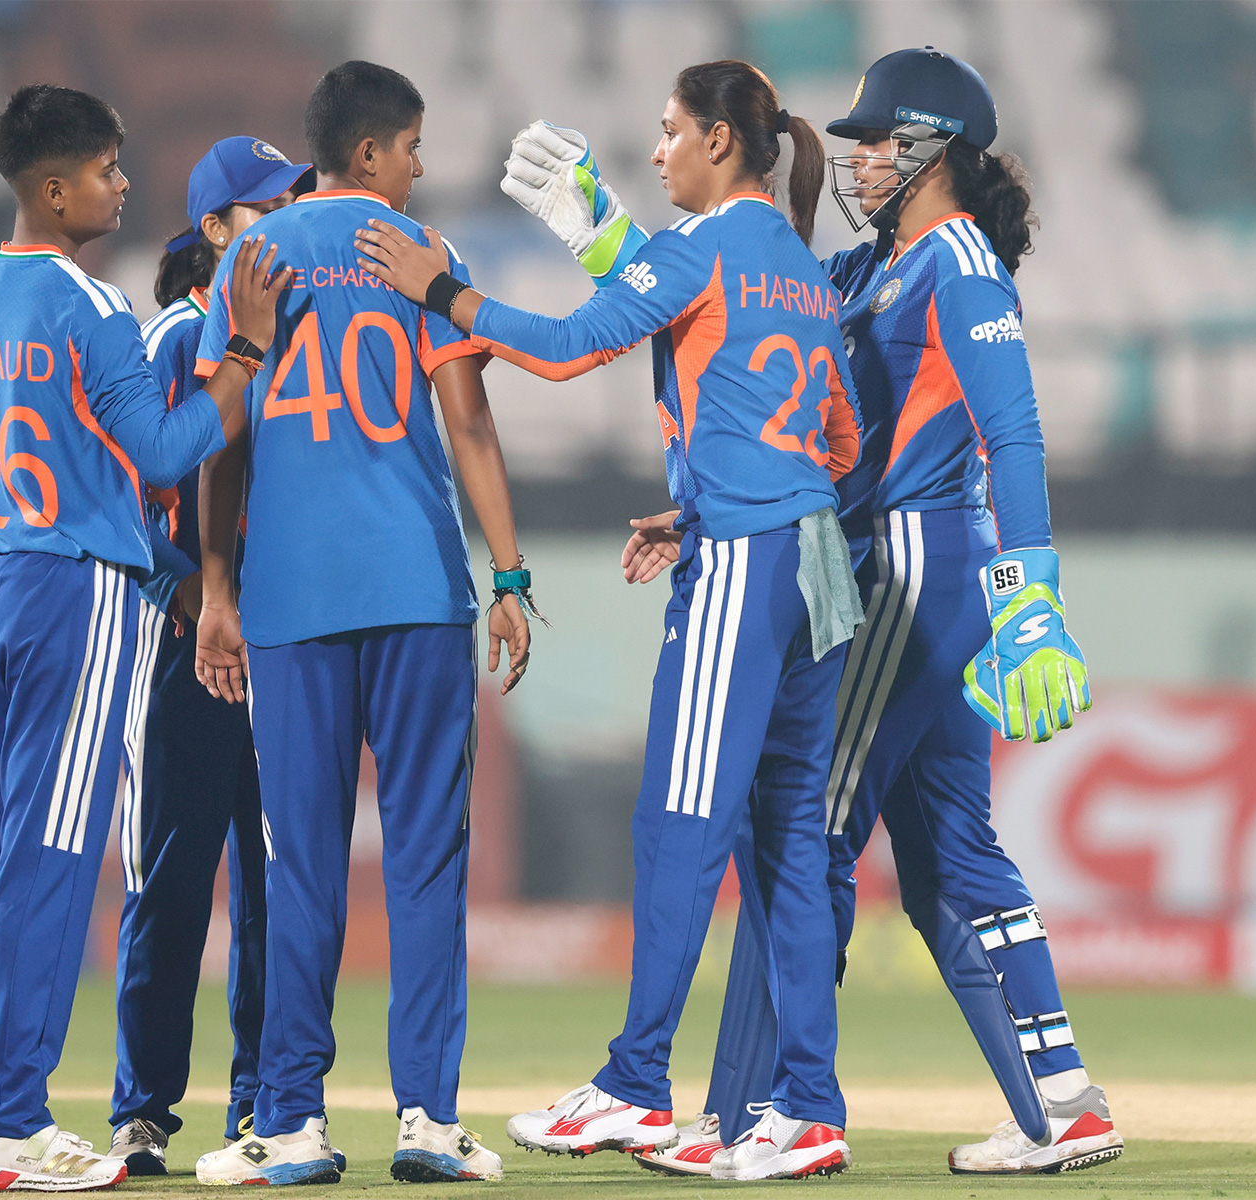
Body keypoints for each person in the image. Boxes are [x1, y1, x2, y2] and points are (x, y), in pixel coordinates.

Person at [522, 48, 1113, 1179]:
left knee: (801, 830)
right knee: (949, 850)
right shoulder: (870, 265)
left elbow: (1014, 432)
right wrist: (602, 235)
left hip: (911, 561)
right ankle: (1061, 1101)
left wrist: (1030, 591)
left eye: (879, 142)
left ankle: (757, 1111)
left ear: (934, 148)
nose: (857, 160)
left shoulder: (957, 261)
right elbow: (724, 305)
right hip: (889, 560)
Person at [357, 60, 865, 1183]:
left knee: (677, 823)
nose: (658, 150)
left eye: (672, 129)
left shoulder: (699, 249)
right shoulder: (803, 267)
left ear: (721, 142)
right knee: (787, 838)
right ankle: (809, 1109)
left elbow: (562, 348)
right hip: (816, 564)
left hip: (746, 563)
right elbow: (839, 443)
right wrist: (712, 504)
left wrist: (443, 293)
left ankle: (636, 1085)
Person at [0, 84, 286, 1192]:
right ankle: (13, 1124)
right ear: (53, 188)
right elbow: (170, 452)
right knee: (49, 856)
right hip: (73, 591)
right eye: (106, 169)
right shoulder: (93, 305)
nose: (123, 186)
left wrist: (37, 452)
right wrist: (244, 355)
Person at [185, 60, 529, 1186]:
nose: (421, 166)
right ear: (372, 153)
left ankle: (291, 1123)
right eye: (414, 147)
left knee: (301, 868)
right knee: (427, 861)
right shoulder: (416, 253)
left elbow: (221, 439)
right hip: (417, 591)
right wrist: (511, 574)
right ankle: (428, 1121)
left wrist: (219, 591)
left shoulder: (253, 258)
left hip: (291, 600)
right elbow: (469, 426)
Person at [106, 136, 316, 1177]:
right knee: (172, 883)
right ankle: (142, 1110)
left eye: (295, 203)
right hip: (184, 651)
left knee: (277, 888)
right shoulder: (173, 337)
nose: (288, 221)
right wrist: (184, 588)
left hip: (281, 647)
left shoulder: (302, 334)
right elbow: (118, 489)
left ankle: (261, 1104)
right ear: (217, 227)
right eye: (269, 208)